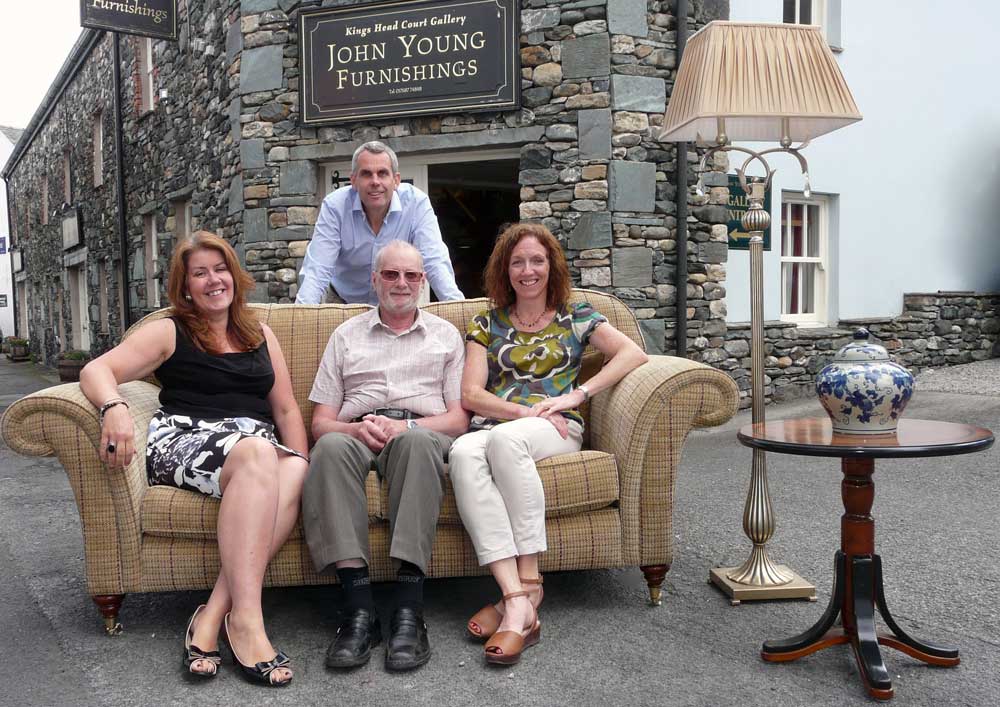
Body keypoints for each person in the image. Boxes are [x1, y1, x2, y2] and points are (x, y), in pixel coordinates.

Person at [80, 231, 308, 687]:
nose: (213, 280)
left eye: (220, 269)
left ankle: (213, 615)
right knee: (260, 453)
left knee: (296, 466)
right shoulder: (169, 330)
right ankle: (248, 620)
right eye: (199, 273)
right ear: (185, 286)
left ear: (234, 275)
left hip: (252, 447)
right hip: (185, 439)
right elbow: (96, 369)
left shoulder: (259, 334)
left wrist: (303, 457)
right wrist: (115, 407)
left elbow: (284, 408)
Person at [449, 223, 649, 665]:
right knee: (462, 452)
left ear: (551, 265)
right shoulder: (486, 321)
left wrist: (578, 394)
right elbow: (471, 394)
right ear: (505, 269)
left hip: (557, 429)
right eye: (517, 261)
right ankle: (516, 597)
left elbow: (633, 353)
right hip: (504, 423)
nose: (527, 270)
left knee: (503, 443)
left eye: (536, 260)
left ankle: (529, 582)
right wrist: (522, 411)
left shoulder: (575, 314)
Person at [302, 240, 468, 671]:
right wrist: (353, 428)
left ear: (423, 282)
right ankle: (358, 610)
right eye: (391, 274)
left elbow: (457, 419)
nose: (401, 283)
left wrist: (408, 426)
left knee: (417, 444)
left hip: (419, 430)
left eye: (411, 275)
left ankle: (408, 609)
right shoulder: (346, 335)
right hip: (359, 428)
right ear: (374, 280)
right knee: (330, 446)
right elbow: (320, 422)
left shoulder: (446, 336)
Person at [295, 141, 464, 305]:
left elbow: (434, 260)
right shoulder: (335, 206)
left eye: (382, 173)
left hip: (396, 304)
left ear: (396, 180)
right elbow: (317, 269)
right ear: (353, 180)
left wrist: (457, 310)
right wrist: (299, 319)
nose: (375, 182)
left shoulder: (416, 203)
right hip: (342, 301)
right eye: (366, 174)